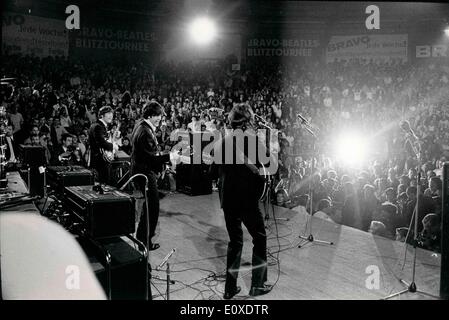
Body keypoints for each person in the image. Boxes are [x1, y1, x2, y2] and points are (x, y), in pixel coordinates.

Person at [216, 103, 273, 299]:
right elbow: (268, 162)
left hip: (228, 199)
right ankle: (257, 285)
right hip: (247, 200)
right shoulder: (252, 140)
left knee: (235, 242)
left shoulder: (224, 141)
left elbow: (215, 170)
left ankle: (229, 289)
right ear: (247, 120)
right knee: (260, 237)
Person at [130, 101, 169, 252]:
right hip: (144, 173)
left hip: (143, 171)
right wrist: (169, 156)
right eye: (157, 115)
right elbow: (151, 158)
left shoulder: (142, 126)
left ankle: (143, 238)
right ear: (150, 115)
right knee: (152, 207)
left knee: (148, 207)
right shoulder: (145, 131)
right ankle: (144, 240)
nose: (160, 118)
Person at [88, 106, 116, 183]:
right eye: (108, 113)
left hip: (100, 160)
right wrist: (113, 146)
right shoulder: (98, 126)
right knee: (104, 183)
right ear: (101, 115)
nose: (111, 116)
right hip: (100, 162)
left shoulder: (99, 125)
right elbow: (101, 142)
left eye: (111, 113)